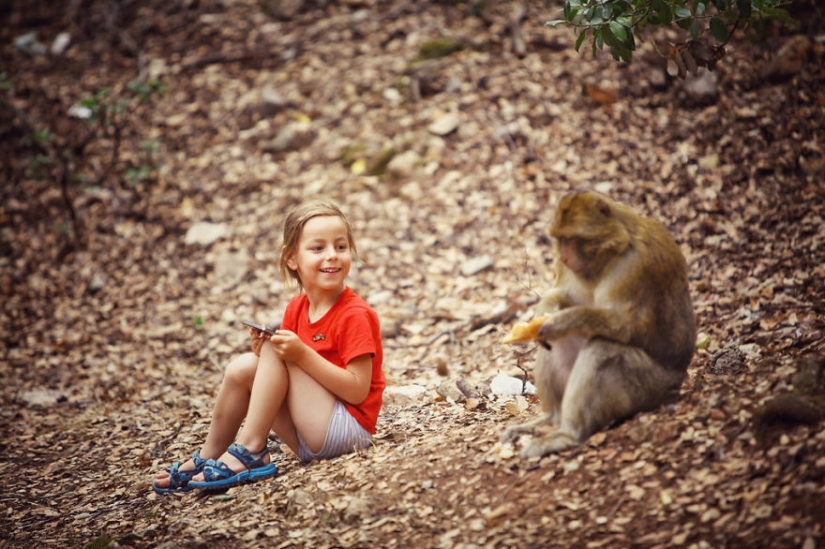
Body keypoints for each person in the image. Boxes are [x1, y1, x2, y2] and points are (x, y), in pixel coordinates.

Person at [152, 201, 385, 493]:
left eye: (341, 246)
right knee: (243, 368)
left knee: (280, 348)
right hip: (306, 437)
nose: (332, 256)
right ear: (291, 258)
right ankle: (210, 454)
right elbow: (290, 377)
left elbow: (357, 390)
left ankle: (250, 449)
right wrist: (267, 357)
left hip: (347, 431)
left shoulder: (354, 314)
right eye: (318, 248)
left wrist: (298, 354)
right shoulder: (297, 308)